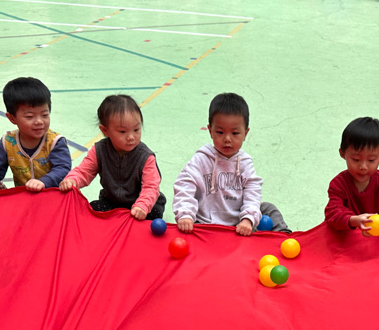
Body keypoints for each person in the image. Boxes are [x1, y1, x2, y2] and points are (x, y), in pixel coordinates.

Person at [172, 92, 289, 234]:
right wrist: (185, 214)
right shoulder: (201, 159)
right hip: (205, 223)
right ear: (210, 131)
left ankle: (284, 237)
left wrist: (248, 219)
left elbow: (253, 191)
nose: (227, 139)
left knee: (269, 209)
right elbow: (184, 184)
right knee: (188, 226)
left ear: (245, 133)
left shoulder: (245, 163)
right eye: (220, 132)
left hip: (239, 224)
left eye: (235, 133)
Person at [59, 95, 164, 218]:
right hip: (112, 203)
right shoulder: (99, 151)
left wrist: (142, 205)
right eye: (122, 131)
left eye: (136, 129)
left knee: (155, 212)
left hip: (140, 205)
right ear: (105, 131)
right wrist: (72, 180)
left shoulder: (145, 157)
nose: (131, 137)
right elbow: (84, 171)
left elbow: (151, 186)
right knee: (93, 208)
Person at [0, 78, 71, 196]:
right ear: (12, 118)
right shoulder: (8, 142)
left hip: (55, 198)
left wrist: (43, 182)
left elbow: (62, 169)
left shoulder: (55, 141)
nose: (39, 121)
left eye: (45, 115)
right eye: (30, 116)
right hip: (25, 199)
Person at [324, 117, 379, 233]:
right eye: (356, 159)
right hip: (348, 237)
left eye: (371, 160)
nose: (363, 166)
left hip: (377, 239)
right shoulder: (338, 184)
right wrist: (353, 220)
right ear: (342, 153)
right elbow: (332, 214)